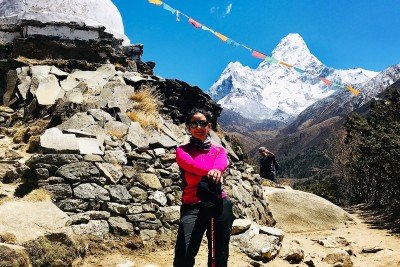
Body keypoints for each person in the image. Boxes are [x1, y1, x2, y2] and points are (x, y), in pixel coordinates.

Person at [173, 108, 234, 267]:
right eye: (194, 123)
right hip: (192, 204)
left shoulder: (220, 151)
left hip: (219, 203)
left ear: (209, 126)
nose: (199, 127)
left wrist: (216, 170)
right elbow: (190, 165)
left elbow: (221, 165)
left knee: (219, 253)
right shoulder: (182, 151)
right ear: (188, 127)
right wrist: (211, 171)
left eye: (203, 123)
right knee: (184, 254)